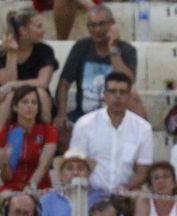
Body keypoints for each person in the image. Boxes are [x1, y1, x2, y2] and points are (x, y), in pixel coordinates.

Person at [53, 5, 144, 136]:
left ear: (112, 24)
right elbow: (64, 83)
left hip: (116, 115)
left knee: (134, 98)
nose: (97, 29)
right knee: (57, 131)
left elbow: (128, 81)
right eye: (92, 25)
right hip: (83, 115)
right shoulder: (81, 47)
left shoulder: (126, 50)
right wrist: (61, 114)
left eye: (102, 24)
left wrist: (113, 48)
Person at [68, 70, 152, 196]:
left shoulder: (143, 128)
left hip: (126, 196)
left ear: (129, 96)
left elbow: (143, 172)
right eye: (112, 91)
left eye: (123, 92)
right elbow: (75, 164)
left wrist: (126, 189)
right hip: (89, 195)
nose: (117, 96)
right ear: (104, 95)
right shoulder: (84, 124)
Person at [0, 8, 57, 128]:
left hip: (37, 102)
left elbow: (43, 83)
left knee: (40, 93)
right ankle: (1, 141)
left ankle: (46, 138)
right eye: (39, 26)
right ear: (23, 30)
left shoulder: (45, 51)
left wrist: (13, 85)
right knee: (9, 96)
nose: (44, 30)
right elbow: (6, 84)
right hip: (8, 104)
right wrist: (11, 54)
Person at [0, 86, 58, 193]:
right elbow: (7, 178)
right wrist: (4, 164)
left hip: (39, 187)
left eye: (34, 102)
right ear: (15, 107)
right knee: (6, 196)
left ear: (38, 108)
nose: (30, 106)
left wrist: (30, 187)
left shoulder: (49, 131)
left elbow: (44, 165)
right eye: (25, 102)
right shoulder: (5, 134)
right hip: (12, 187)